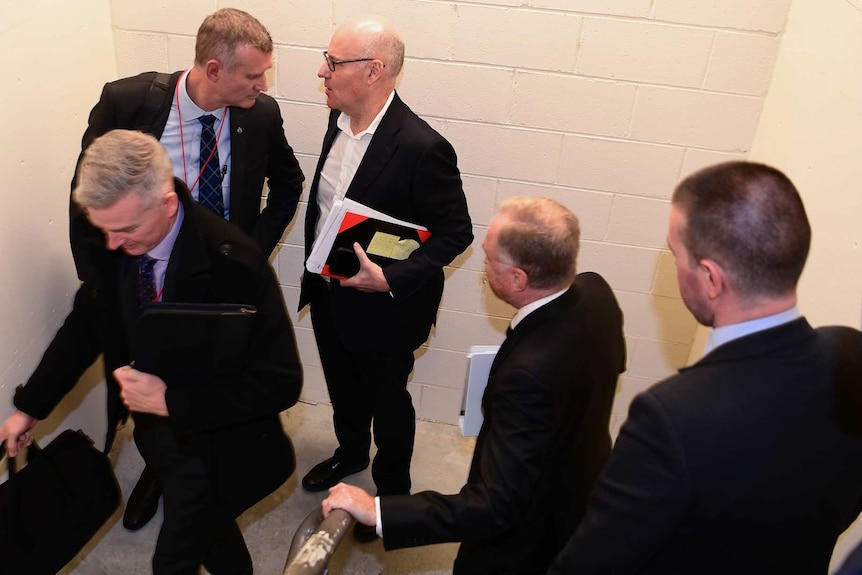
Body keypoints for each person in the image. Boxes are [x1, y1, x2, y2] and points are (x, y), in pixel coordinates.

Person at [0, 130, 302, 574]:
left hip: (219, 446)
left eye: (125, 230)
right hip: (158, 438)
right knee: (213, 537)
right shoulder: (115, 240)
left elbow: (282, 382)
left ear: (167, 202)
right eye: (104, 230)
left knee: (174, 559)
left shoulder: (235, 265)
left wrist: (170, 401)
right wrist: (30, 408)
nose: (112, 245)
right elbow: (87, 325)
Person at [545, 161, 862, 575]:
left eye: (676, 254)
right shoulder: (852, 351)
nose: (674, 268)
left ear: (711, 278)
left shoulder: (669, 417)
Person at [69, 7, 306, 531]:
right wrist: (102, 282)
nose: (263, 84)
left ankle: (203, 480)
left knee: (209, 385)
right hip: (148, 280)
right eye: (253, 74)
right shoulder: (128, 101)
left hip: (216, 285)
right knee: (154, 383)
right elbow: (85, 201)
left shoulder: (259, 115)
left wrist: (249, 251)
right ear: (214, 69)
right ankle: (161, 472)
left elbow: (290, 185)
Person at [322, 196, 627, 573]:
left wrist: (378, 510)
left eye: (488, 258)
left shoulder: (526, 377)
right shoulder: (597, 293)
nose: (482, 265)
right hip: (584, 483)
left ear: (519, 279)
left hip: (531, 537)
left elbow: (492, 505)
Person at [297, 13, 473, 542]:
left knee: (388, 399)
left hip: (387, 306)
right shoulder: (336, 120)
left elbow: (455, 232)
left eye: (333, 61)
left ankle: (391, 495)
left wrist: (391, 279)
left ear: (374, 71)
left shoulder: (423, 147)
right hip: (331, 289)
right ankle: (349, 453)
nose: (321, 71)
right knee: (342, 385)